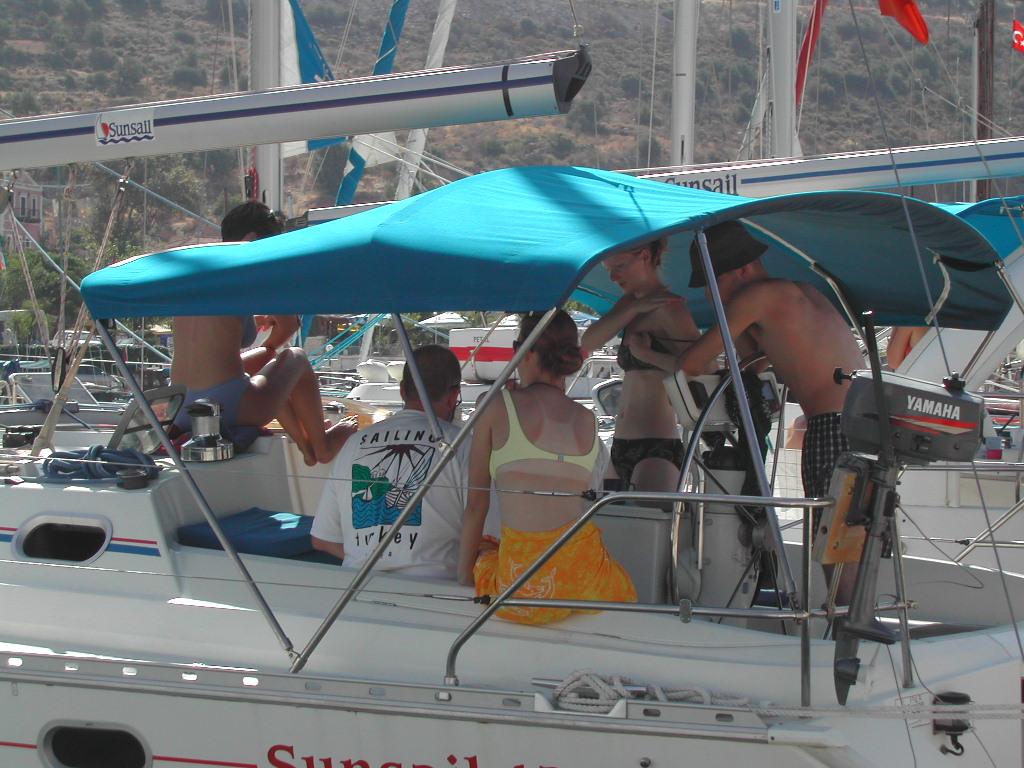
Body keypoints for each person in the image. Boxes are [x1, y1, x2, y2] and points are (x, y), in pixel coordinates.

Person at [459, 310, 636, 624]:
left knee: (487, 552)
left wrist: (462, 579)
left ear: (522, 354)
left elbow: (476, 505)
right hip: (586, 579)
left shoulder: (496, 405)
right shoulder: (587, 420)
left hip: (525, 586)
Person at [676, 220, 864, 502]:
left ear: (742, 269)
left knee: (831, 529)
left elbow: (689, 364)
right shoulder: (800, 291)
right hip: (864, 422)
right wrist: (726, 307)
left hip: (832, 425)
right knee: (858, 530)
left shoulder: (757, 297)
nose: (710, 292)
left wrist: (721, 307)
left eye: (714, 284)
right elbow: (755, 363)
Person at [171, 201, 353, 465]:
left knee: (264, 366)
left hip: (181, 406)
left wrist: (259, 330)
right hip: (226, 407)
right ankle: (321, 445)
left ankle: (305, 445)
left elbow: (218, 336)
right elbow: (289, 327)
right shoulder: (247, 269)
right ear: (253, 239)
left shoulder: (196, 272)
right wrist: (272, 343)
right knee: (296, 357)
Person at [311, 345, 468, 578]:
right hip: (435, 593)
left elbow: (322, 540)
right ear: (454, 396)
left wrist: (375, 562)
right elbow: (489, 536)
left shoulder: (354, 444)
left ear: (403, 390)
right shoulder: (463, 445)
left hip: (356, 590)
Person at [580, 238, 702, 492]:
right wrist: (634, 307)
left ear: (645, 256)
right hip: (622, 442)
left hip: (656, 447)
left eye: (620, 267)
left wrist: (647, 355)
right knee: (612, 526)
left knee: (646, 529)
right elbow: (589, 340)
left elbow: (702, 368)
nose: (613, 277)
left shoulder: (670, 307)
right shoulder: (629, 304)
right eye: (608, 269)